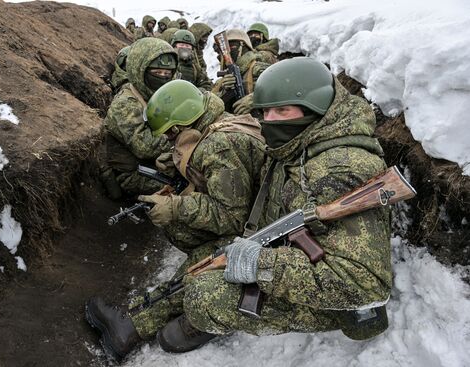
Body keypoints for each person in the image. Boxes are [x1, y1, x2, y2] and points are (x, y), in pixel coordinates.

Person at [88, 57, 392, 359]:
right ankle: (134, 323)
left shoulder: (339, 170)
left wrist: (260, 263)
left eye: (282, 110)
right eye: (265, 112)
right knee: (208, 258)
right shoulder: (300, 142)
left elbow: (365, 287)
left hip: (332, 302)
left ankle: (204, 320)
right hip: (288, 248)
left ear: (315, 107)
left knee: (205, 297)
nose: (269, 121)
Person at [85, 80, 266, 362]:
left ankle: (131, 326)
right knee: (181, 228)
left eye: (171, 134)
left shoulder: (221, 146)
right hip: (258, 221)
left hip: (260, 236)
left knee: (203, 260)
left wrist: (177, 206)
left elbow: (232, 216)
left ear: (182, 122)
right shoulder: (215, 126)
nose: (169, 140)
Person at [100, 38, 177, 198]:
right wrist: (178, 138)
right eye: (157, 73)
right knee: (184, 189)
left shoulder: (155, 95)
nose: (163, 77)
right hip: (131, 173)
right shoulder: (125, 104)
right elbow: (145, 148)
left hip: (155, 163)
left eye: (167, 73)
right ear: (139, 71)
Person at [212, 29, 270, 113]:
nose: (227, 52)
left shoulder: (258, 69)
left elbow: (281, 88)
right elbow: (209, 106)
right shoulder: (223, 80)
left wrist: (255, 99)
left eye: (231, 46)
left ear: (243, 47)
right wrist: (224, 91)